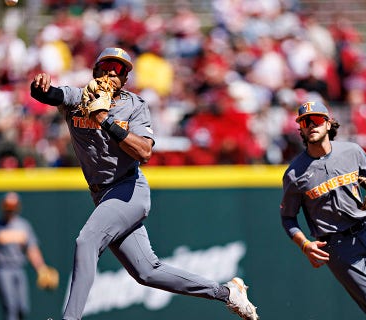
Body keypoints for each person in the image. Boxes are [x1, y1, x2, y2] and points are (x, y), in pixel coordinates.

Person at [30, 47, 259, 320]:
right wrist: (39, 86)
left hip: (129, 189)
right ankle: (226, 293)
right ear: (95, 71)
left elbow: (144, 152)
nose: (111, 74)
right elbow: (48, 94)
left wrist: (105, 120)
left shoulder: (135, 106)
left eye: (119, 70)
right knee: (147, 271)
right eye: (106, 67)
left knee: (86, 240)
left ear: (125, 78)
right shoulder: (78, 97)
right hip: (103, 195)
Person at [279, 101, 366, 319]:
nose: (310, 125)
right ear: (300, 129)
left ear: (328, 123)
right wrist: (304, 244)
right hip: (337, 246)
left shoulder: (352, 152)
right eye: (305, 122)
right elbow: (288, 217)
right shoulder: (294, 174)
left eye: (315, 120)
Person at [0, 191, 57, 320]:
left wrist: (41, 267)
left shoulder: (23, 226)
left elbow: (32, 249)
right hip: (2, 268)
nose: (10, 211)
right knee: (10, 307)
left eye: (12, 208)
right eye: (8, 208)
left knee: (23, 307)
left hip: (19, 268)